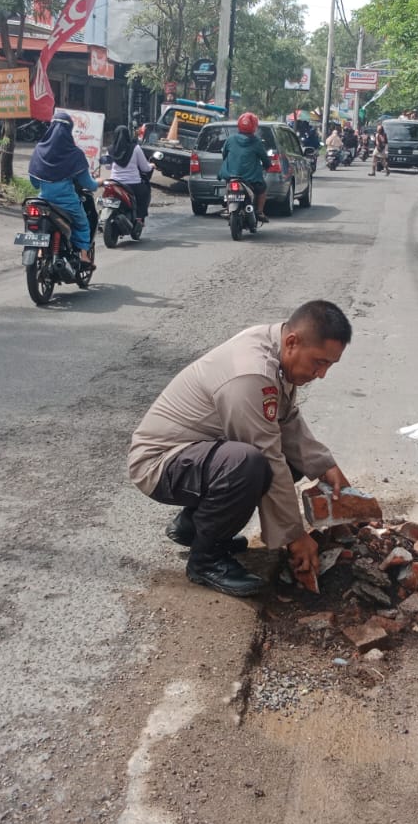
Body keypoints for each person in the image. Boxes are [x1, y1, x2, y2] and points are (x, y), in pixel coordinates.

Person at [129, 301, 354, 597]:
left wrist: (325, 465)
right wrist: (295, 536)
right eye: (319, 362)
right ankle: (206, 561)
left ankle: (194, 527)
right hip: (160, 463)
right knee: (247, 464)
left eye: (329, 365)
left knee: (288, 461)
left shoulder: (275, 349)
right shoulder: (252, 373)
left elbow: (284, 420)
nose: (321, 374)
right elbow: (268, 454)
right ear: (292, 342)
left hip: (197, 455)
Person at [29, 108, 98, 263]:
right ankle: (84, 255)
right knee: (83, 224)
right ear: (69, 131)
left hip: (44, 202)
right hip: (68, 204)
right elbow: (88, 184)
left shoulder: (39, 150)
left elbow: (34, 183)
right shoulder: (74, 154)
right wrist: (97, 183)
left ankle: (40, 249)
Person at [217, 111, 271, 223]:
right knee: (262, 188)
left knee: (229, 188)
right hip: (251, 178)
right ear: (254, 127)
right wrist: (267, 166)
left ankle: (228, 207)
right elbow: (265, 158)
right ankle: (259, 212)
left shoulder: (230, 139)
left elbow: (224, 154)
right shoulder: (256, 142)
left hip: (231, 175)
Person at [101, 124, 152, 235]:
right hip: (133, 184)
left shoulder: (110, 149)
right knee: (144, 192)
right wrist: (152, 166)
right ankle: (139, 218)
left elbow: (108, 167)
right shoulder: (135, 148)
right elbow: (144, 167)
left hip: (114, 182)